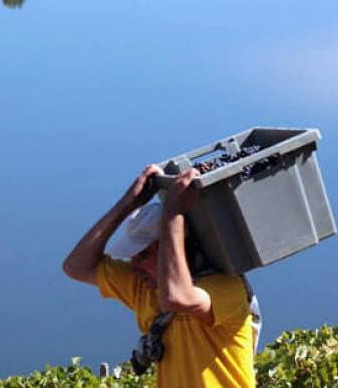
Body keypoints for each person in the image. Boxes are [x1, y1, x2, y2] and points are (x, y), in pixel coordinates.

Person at [63, 165, 256, 388]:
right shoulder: (145, 288)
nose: (135, 267)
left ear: (173, 246)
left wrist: (173, 213)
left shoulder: (226, 289)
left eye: (143, 255)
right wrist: (127, 205)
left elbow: (176, 297)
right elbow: (76, 267)